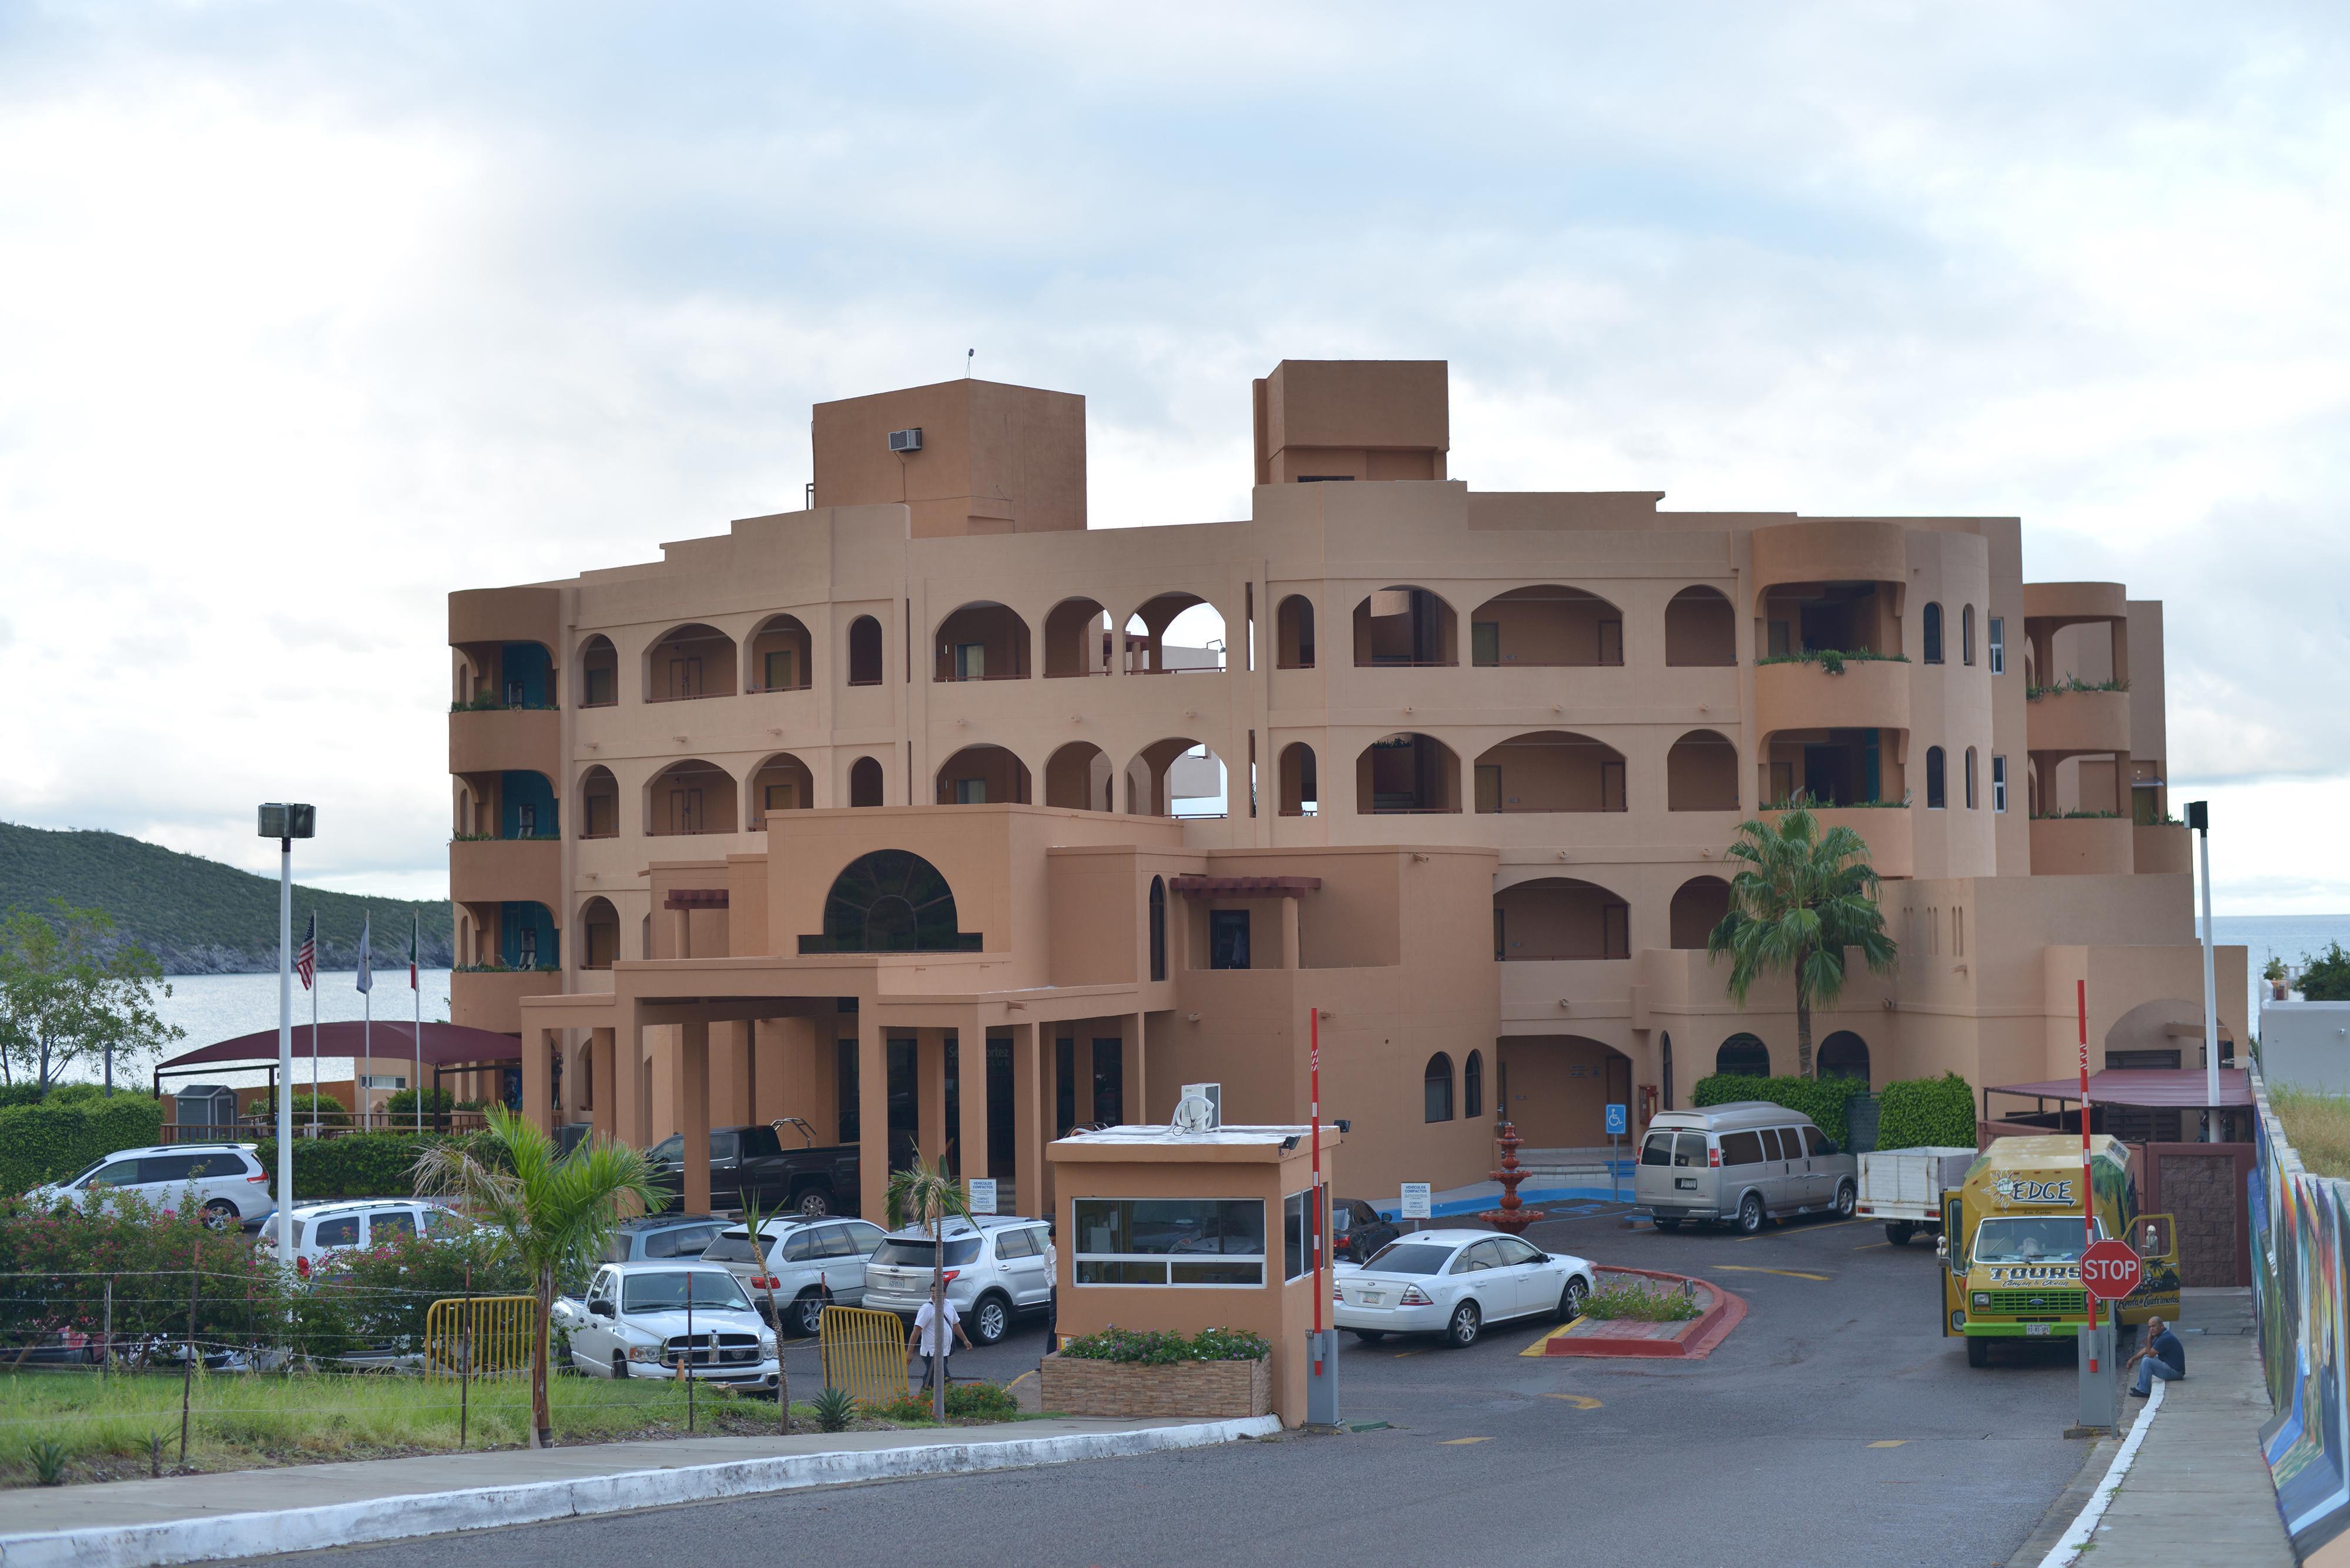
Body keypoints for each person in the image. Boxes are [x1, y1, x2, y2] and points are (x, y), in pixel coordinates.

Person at [909, 1293, 973, 1392]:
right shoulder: (927, 1309)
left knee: (931, 1378)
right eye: (932, 1291)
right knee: (946, 1379)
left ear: (945, 1293)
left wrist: (965, 1340)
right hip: (931, 1352)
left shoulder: (949, 1305)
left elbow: (955, 1324)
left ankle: (924, 1399)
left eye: (937, 1291)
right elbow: (916, 1330)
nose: (935, 1294)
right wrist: (910, 1352)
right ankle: (945, 1399)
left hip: (944, 1351)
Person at [2126, 1314, 2187, 1397]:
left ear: (2162, 1326)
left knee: (2147, 1361)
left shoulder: (2164, 1338)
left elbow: (2150, 1354)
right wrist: (2133, 1359)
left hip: (2176, 1373)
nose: (2151, 1329)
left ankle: (2144, 1391)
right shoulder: (2162, 1335)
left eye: (2154, 1326)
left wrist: (2149, 1339)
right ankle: (2141, 1387)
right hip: (2172, 1368)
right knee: (2146, 1358)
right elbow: (2146, 1350)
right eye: (2150, 1327)